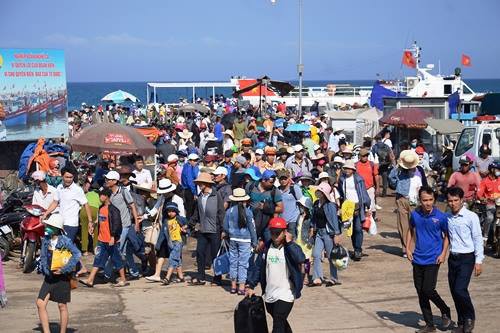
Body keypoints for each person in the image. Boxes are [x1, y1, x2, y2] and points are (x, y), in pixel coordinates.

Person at [246, 217, 306, 333]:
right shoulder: (267, 248)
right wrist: (251, 286)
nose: (275, 236)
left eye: (278, 233)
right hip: (270, 294)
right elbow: (258, 267)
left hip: (286, 293)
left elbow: (300, 258)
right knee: (281, 322)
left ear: (284, 232)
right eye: (272, 232)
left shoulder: (290, 248)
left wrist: (289, 243)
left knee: (278, 323)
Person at [406, 187, 452, 332]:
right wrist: (408, 248)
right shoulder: (414, 214)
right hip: (417, 258)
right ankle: (429, 324)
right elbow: (410, 230)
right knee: (420, 291)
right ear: (420, 200)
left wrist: (443, 253)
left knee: (428, 289)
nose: (427, 203)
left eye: (430, 200)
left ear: (434, 200)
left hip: (433, 258)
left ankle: (445, 310)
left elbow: (447, 236)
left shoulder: (441, 216)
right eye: (424, 200)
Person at [446, 187, 484, 333]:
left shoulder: (471, 217)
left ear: (462, 200)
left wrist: (478, 261)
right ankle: (461, 322)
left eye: (456, 200)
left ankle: (469, 317)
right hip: (453, 258)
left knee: (460, 289)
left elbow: (477, 238)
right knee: (454, 291)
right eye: (450, 201)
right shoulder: (448, 217)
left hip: (467, 258)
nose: (453, 203)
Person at [37, 214, 81, 333]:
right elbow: (43, 256)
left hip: (62, 278)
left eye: (50, 226)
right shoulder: (46, 240)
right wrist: (44, 268)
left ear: (57, 228)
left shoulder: (65, 241)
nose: (47, 227)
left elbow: (77, 254)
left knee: (62, 306)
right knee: (40, 303)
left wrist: (64, 269)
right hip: (49, 277)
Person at [79, 188, 128, 288]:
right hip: (102, 240)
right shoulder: (100, 208)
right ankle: (90, 280)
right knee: (97, 259)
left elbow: (117, 224)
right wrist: (92, 225)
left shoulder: (113, 210)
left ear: (106, 196)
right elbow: (100, 221)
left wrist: (113, 237)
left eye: (101, 195)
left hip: (111, 240)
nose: (100, 197)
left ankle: (123, 279)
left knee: (117, 259)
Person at [103, 170, 142, 280]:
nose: (107, 181)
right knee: (125, 251)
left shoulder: (124, 191)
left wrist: (137, 223)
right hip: (115, 226)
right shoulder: (109, 193)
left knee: (116, 249)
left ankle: (107, 273)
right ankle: (134, 272)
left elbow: (132, 206)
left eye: (109, 179)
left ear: (115, 181)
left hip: (124, 226)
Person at [189, 173, 225, 285]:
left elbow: (221, 213)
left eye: (201, 183)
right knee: (200, 252)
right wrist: (190, 223)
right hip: (203, 229)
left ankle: (217, 277)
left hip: (215, 229)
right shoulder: (200, 197)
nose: (199, 185)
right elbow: (197, 213)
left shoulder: (216, 195)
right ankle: (201, 277)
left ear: (207, 184)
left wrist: (223, 230)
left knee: (215, 254)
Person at [223, 188, 257, 295]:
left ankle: (233, 286)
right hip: (245, 240)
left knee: (233, 262)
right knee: (243, 263)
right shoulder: (248, 212)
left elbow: (225, 226)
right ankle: (241, 287)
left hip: (233, 239)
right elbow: (252, 228)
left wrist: (230, 233)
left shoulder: (229, 211)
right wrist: (254, 241)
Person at [389, 150, 423, 257]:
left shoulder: (418, 176)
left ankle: (414, 247)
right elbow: (391, 179)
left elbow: (420, 190)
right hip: (402, 199)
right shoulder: (399, 174)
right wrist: (397, 167)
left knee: (414, 224)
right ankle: (405, 248)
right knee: (403, 225)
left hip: (414, 202)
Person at [338, 160, 371, 261]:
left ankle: (358, 250)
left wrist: (367, 206)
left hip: (357, 206)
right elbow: (340, 192)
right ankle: (356, 248)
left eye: (349, 168)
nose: (347, 170)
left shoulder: (358, 179)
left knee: (358, 228)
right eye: (346, 168)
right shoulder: (342, 179)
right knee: (350, 230)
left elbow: (363, 193)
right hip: (347, 207)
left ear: (353, 170)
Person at [310, 182, 342, 286]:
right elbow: (313, 218)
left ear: (324, 194)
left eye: (320, 191)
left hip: (328, 233)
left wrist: (337, 234)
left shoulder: (331, 205)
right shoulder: (316, 204)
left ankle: (334, 278)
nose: (318, 193)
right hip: (319, 232)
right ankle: (317, 277)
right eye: (318, 191)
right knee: (316, 254)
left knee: (330, 256)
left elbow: (334, 220)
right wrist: (312, 228)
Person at [150, 202, 187, 285]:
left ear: (176, 211)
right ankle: (181, 277)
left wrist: (185, 228)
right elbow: (162, 234)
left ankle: (167, 277)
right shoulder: (166, 221)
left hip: (178, 242)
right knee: (178, 259)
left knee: (172, 259)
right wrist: (158, 245)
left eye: (173, 211)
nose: (170, 213)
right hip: (170, 243)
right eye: (169, 211)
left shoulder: (180, 219)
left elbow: (187, 224)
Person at [477, 162, 499, 246]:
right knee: (490, 218)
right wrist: (483, 199)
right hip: (490, 204)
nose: (498, 171)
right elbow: (479, 194)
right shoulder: (484, 181)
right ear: (492, 170)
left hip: (499, 204)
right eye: (497, 169)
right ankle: (485, 237)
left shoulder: (499, 180)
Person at [277, 168, 302, 239]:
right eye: (281, 179)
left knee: (292, 241)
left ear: (289, 178)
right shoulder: (277, 190)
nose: (283, 181)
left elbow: (301, 201)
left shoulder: (294, 188)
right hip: (282, 221)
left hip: (293, 221)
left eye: (285, 178)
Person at [356, 148, 379, 217]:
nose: (365, 157)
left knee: (371, 207)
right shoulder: (356, 165)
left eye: (366, 155)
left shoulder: (371, 164)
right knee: (361, 206)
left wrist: (377, 188)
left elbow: (376, 176)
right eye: (363, 156)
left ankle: (371, 221)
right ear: (359, 156)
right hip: (359, 189)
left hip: (370, 188)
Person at [181, 153, 200, 219]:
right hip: (190, 191)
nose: (196, 162)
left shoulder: (185, 166)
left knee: (188, 208)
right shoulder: (189, 168)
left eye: (196, 160)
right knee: (190, 209)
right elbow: (190, 182)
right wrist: (194, 193)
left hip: (187, 190)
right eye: (194, 160)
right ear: (190, 161)